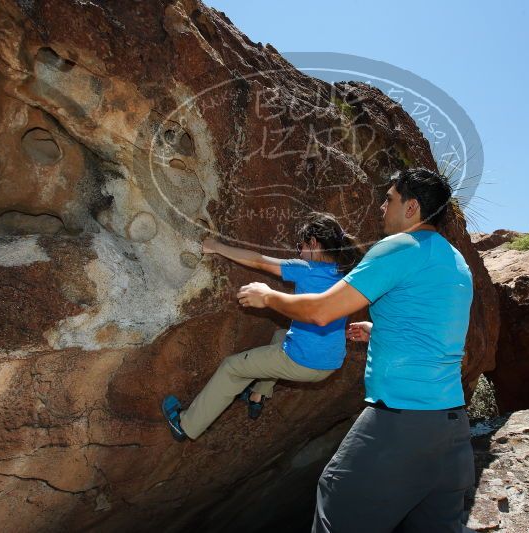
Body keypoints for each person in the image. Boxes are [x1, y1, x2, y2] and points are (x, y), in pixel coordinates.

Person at [236, 168, 475, 532]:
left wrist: (267, 296)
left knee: (338, 504)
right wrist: (379, 329)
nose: (382, 207)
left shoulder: (399, 247)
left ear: (411, 207)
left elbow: (321, 311)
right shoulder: (456, 261)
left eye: (389, 199)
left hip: (399, 422)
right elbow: (438, 330)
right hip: (451, 430)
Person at [161, 212, 363, 442]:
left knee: (232, 368)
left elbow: (258, 260)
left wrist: (215, 246)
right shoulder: (347, 274)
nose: (300, 251)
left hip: (301, 361)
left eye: (302, 245)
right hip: (331, 364)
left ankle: (185, 426)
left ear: (314, 243)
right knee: (280, 335)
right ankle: (257, 395)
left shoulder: (306, 268)